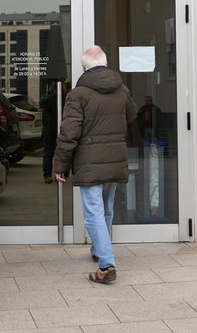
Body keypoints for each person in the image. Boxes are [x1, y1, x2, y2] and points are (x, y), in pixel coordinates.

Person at [52, 45, 136, 284]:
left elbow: (69, 133)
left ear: (84, 67)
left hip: (89, 161)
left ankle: (106, 266)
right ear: (105, 64)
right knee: (106, 208)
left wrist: (60, 165)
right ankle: (99, 250)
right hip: (114, 157)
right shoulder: (121, 89)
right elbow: (132, 114)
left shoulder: (78, 94)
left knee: (93, 213)